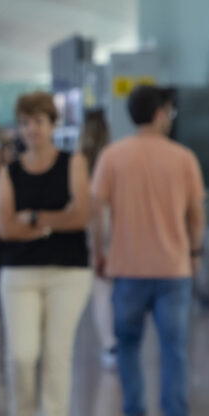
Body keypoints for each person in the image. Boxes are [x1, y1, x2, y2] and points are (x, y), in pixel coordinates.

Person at [90, 85, 205, 416]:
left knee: (127, 346)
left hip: (127, 267)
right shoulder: (183, 158)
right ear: (159, 113)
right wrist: (195, 251)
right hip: (174, 268)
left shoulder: (113, 156)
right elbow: (196, 214)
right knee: (173, 349)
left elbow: (97, 212)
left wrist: (100, 252)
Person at [0, 91, 92, 416]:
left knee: (56, 354)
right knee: (22, 354)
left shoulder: (73, 163)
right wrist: (51, 220)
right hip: (19, 272)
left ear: (53, 125)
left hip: (69, 272)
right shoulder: (10, 171)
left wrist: (31, 219)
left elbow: (80, 216)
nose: (32, 129)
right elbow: (5, 227)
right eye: (26, 122)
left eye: (39, 121)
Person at [80, 109, 115, 368]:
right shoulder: (112, 156)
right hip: (113, 219)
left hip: (90, 220)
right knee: (112, 286)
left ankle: (109, 344)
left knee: (100, 288)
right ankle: (114, 341)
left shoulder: (78, 159)